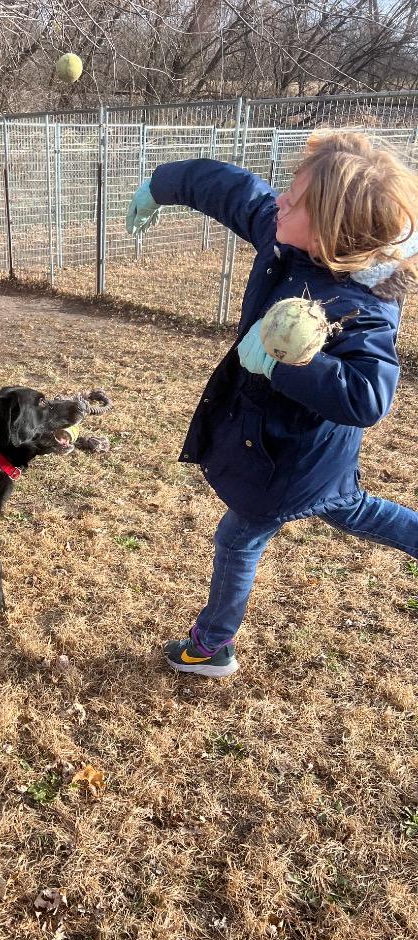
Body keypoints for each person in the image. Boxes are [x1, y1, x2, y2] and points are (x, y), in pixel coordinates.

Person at [125, 131, 418, 678]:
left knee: (238, 538)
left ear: (335, 230)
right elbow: (235, 191)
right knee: (349, 507)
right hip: (295, 453)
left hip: (289, 455)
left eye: (296, 199)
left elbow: (368, 396)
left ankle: (212, 647)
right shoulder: (286, 236)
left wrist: (288, 365)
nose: (280, 201)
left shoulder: (363, 305)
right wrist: (158, 186)